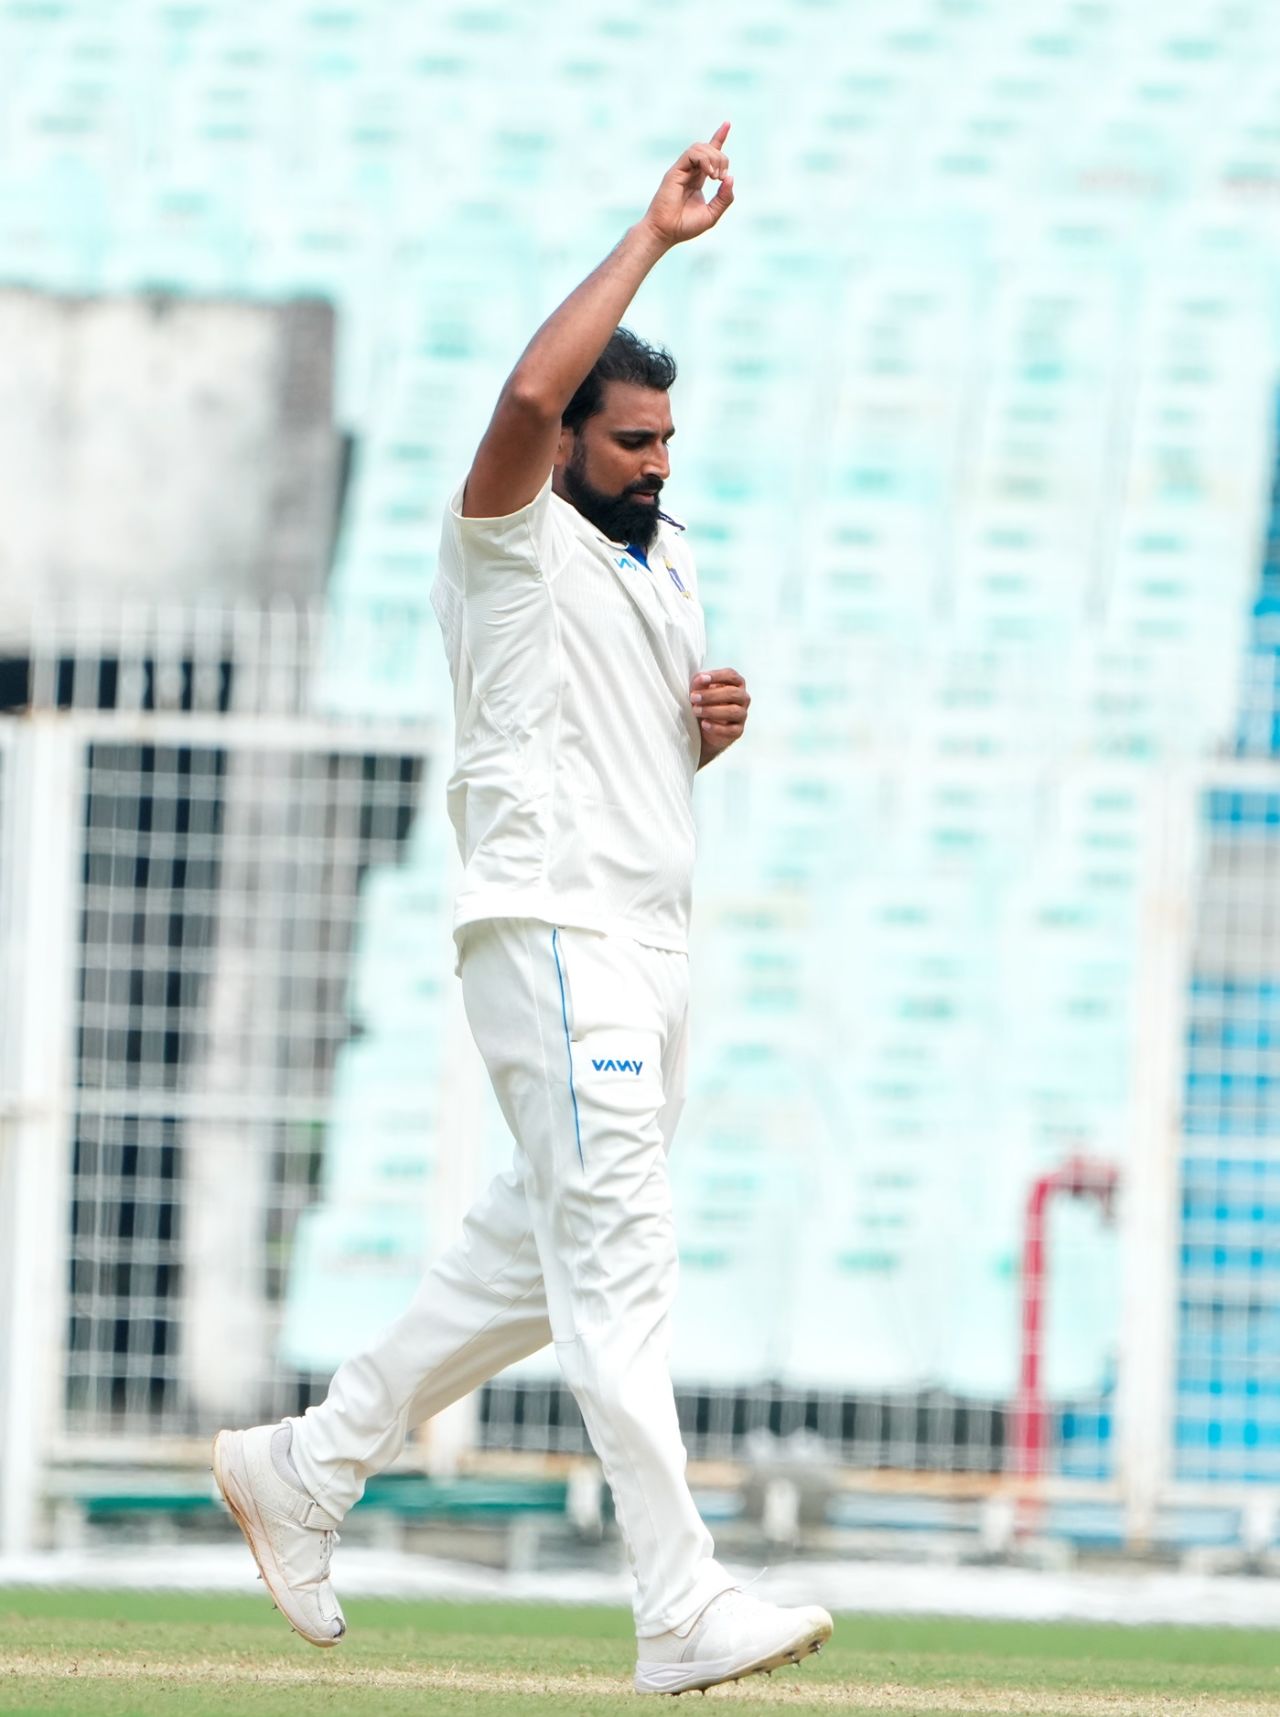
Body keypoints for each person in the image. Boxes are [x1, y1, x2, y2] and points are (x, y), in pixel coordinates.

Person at [213, 123, 833, 1697]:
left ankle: (308, 1461)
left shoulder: (663, 547)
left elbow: (607, 725)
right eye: (630, 440)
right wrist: (651, 236)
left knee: (526, 1260)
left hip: (651, 947)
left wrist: (700, 728)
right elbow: (520, 400)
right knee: (621, 1265)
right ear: (570, 446)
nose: (656, 461)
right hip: (555, 936)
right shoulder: (507, 533)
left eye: (670, 440)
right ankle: (677, 1600)